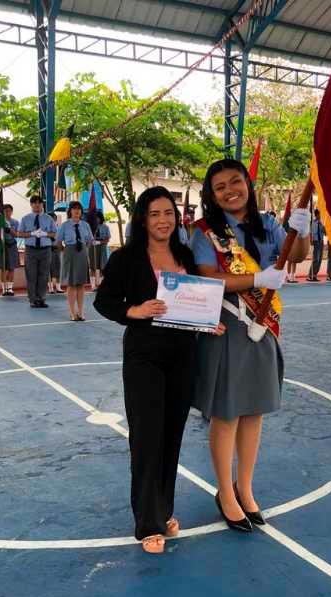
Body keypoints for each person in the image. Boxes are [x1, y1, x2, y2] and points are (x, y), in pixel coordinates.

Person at [94, 186, 224, 554]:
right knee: (147, 440)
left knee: (171, 437)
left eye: (168, 213)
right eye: (154, 214)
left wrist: (207, 321)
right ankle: (148, 523)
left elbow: (195, 301)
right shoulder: (127, 258)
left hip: (183, 356)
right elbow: (103, 301)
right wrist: (132, 311)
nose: (163, 220)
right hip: (144, 358)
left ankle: (164, 511)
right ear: (143, 218)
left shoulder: (183, 253)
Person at [190, 159, 310, 532]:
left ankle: (246, 487)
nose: (230, 190)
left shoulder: (269, 225)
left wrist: (301, 232)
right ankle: (225, 492)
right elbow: (210, 278)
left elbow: (296, 256)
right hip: (227, 325)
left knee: (254, 411)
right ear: (212, 194)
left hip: (263, 325)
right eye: (220, 186)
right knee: (227, 413)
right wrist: (257, 276)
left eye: (236, 182)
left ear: (248, 184)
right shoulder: (204, 232)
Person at [56, 201, 93, 321]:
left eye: (79, 209)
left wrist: (83, 248)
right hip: (69, 252)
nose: (77, 211)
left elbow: (90, 240)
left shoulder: (85, 225)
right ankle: (72, 313)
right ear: (70, 211)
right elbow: (58, 242)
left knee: (81, 284)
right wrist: (66, 251)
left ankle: (81, 312)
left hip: (82, 252)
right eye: (74, 209)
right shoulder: (65, 225)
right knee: (71, 284)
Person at [19, 195, 56, 308]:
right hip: (31, 250)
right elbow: (19, 233)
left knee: (44, 275)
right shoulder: (25, 218)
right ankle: (33, 299)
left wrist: (45, 234)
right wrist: (31, 233)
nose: (37, 205)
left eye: (39, 203)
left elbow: (54, 233)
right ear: (31, 205)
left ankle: (41, 298)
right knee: (31, 275)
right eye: (34, 203)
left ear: (42, 205)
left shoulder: (48, 218)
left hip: (45, 249)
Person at [0, 204, 20, 296]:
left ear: (11, 212)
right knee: (3, 268)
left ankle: (10, 288)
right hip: (2, 245)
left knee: (11, 267)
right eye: (5, 211)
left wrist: (9, 229)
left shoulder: (15, 222)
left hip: (12, 245)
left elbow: (17, 234)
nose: (7, 213)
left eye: (9, 211)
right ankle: (4, 288)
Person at [90, 212, 111, 288]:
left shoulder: (105, 227)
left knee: (102, 266)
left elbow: (107, 239)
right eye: (95, 218)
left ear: (100, 218)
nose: (96, 219)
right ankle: (93, 286)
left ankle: (101, 285)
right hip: (93, 247)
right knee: (93, 266)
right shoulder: (91, 227)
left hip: (102, 247)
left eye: (97, 217)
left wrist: (99, 242)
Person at [47, 211, 64, 295]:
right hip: (47, 249)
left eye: (54, 218)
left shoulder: (59, 228)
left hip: (57, 249)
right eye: (51, 218)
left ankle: (58, 286)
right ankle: (50, 287)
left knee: (58, 267)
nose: (53, 220)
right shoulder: (45, 229)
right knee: (48, 268)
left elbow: (61, 239)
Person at [306, 208, 325, 282]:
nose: (320, 215)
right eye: (320, 214)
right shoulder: (313, 222)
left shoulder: (321, 222)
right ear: (317, 215)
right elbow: (311, 232)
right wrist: (311, 240)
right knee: (315, 259)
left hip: (321, 241)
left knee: (320, 259)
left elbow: (324, 232)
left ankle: (314, 275)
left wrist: (323, 228)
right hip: (316, 241)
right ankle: (310, 275)